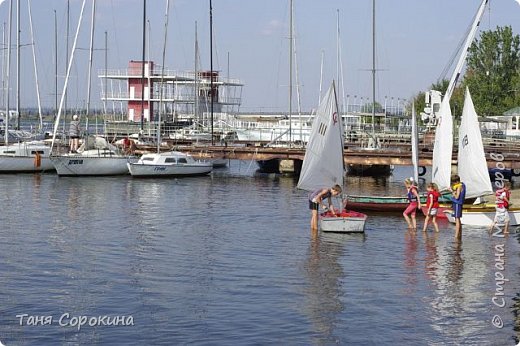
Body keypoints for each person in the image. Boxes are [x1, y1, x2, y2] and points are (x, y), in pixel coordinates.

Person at [450, 174, 466, 240]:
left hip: (457, 203)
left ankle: (456, 236)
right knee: (458, 219)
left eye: (453, 183)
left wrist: (452, 192)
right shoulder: (462, 185)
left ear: (456, 182)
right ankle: (460, 234)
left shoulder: (459, 187)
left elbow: (457, 197)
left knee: (457, 219)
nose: (453, 184)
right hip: (459, 204)